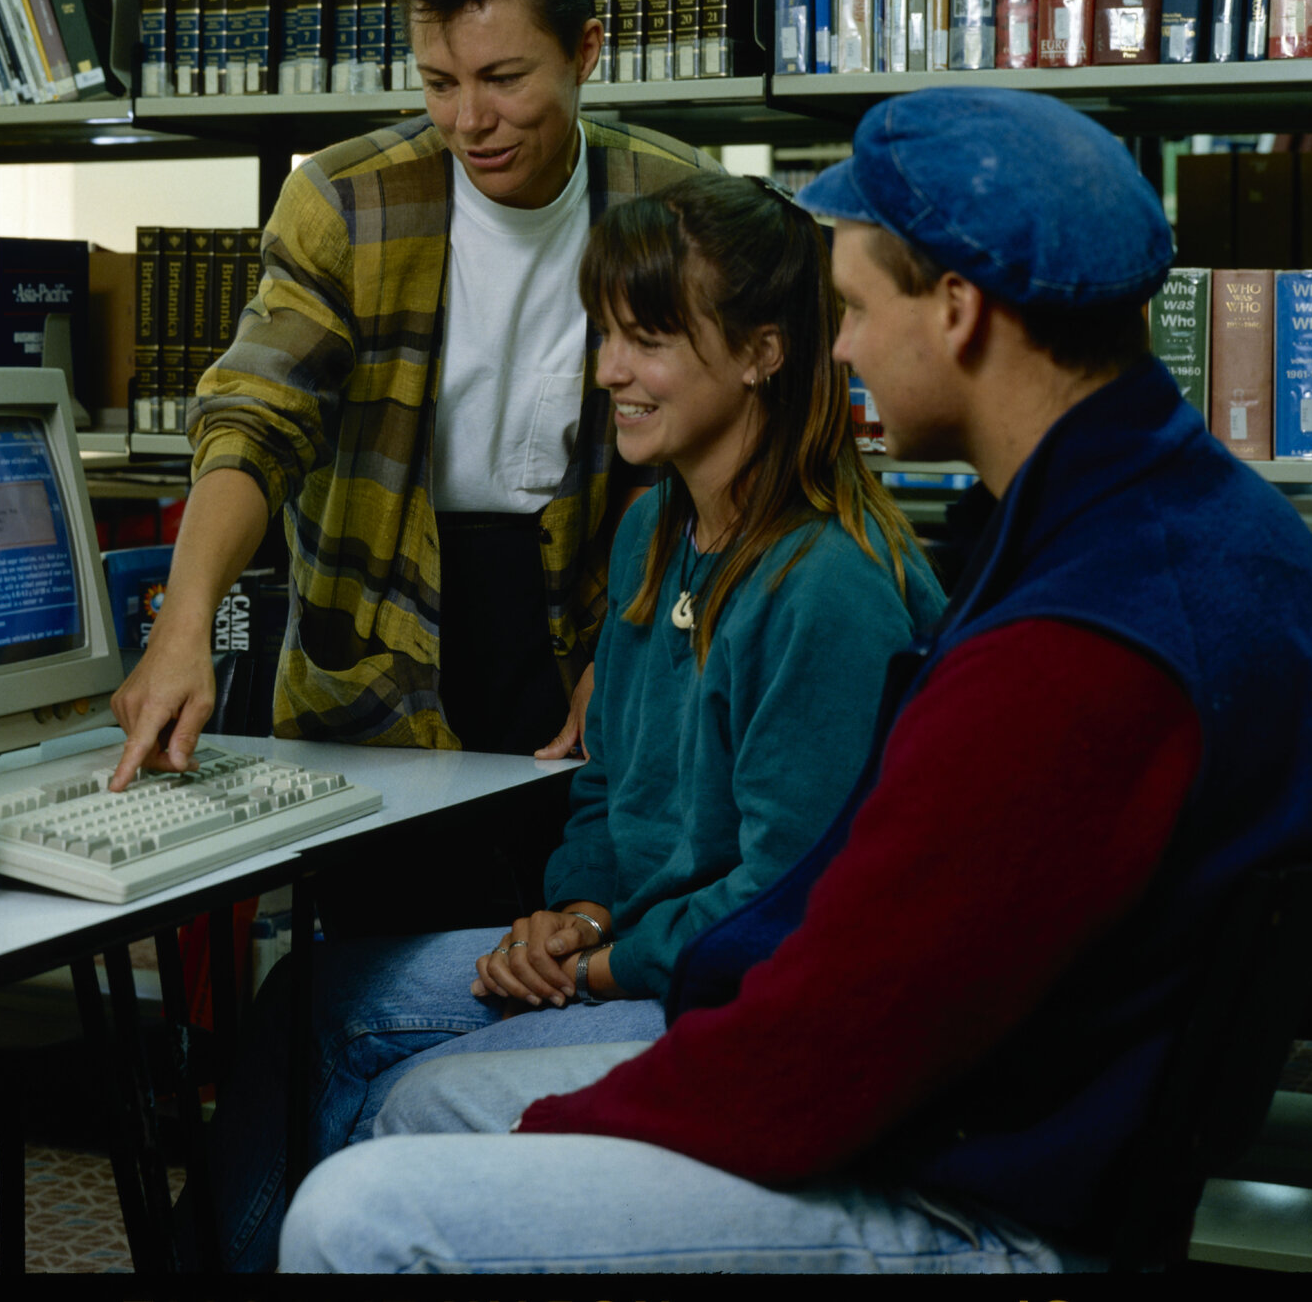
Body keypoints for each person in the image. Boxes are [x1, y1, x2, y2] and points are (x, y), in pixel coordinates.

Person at [276, 88, 1312, 1276]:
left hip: (984, 1190)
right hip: (1028, 1120)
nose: (838, 345)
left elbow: (834, 1042)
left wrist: (555, 1140)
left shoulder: (1072, 647)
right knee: (422, 1112)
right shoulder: (1212, 529)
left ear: (954, 311)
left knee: (367, 1211)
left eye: (854, 307)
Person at [188, 169, 944, 1271]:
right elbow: (607, 783)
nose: (606, 375)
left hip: (725, 993)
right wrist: (577, 908)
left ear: (761, 352)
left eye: (646, 342)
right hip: (634, 942)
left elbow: (784, 905)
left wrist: (597, 963)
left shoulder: (824, 586)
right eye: (602, 337)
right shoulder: (656, 531)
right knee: (310, 993)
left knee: (406, 1093)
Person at [108, 0, 718, 918]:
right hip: (377, 653)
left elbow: (716, 467)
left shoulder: (674, 203)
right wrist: (185, 622)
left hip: (582, 626)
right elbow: (256, 416)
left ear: (585, 53)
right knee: (365, 973)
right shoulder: (346, 199)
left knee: (562, 949)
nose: (467, 121)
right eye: (438, 83)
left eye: (502, 79)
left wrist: (627, 649)